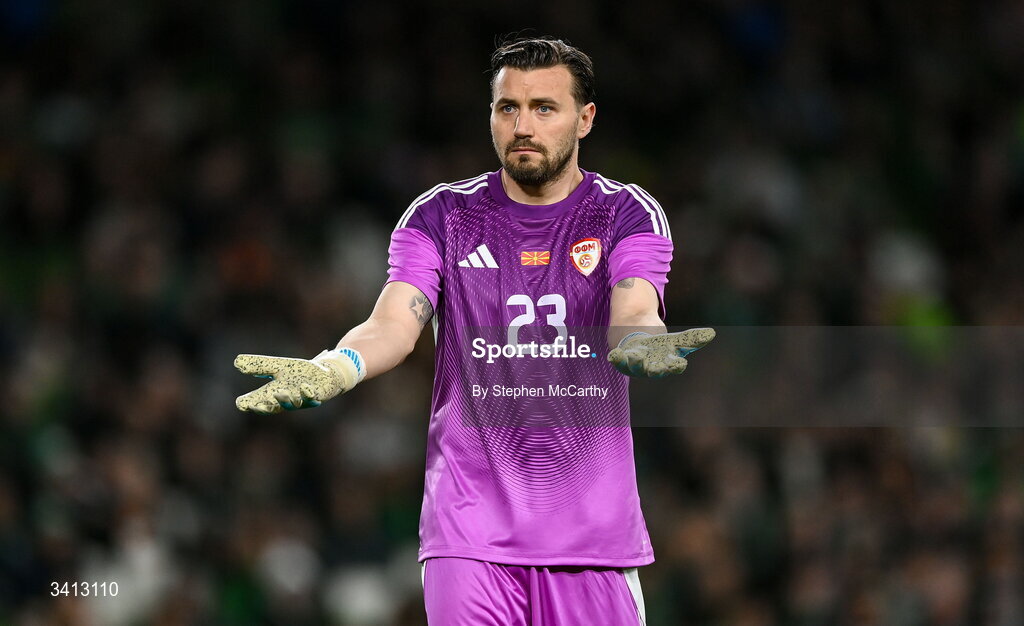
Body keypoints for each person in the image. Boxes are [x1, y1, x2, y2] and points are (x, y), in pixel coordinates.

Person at [235, 36, 714, 625]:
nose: (522, 125)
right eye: (507, 108)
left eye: (544, 108)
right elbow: (393, 322)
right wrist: (337, 366)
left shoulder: (626, 213)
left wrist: (641, 343)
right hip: (468, 535)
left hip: (590, 541)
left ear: (584, 119)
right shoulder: (442, 217)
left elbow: (634, 312)